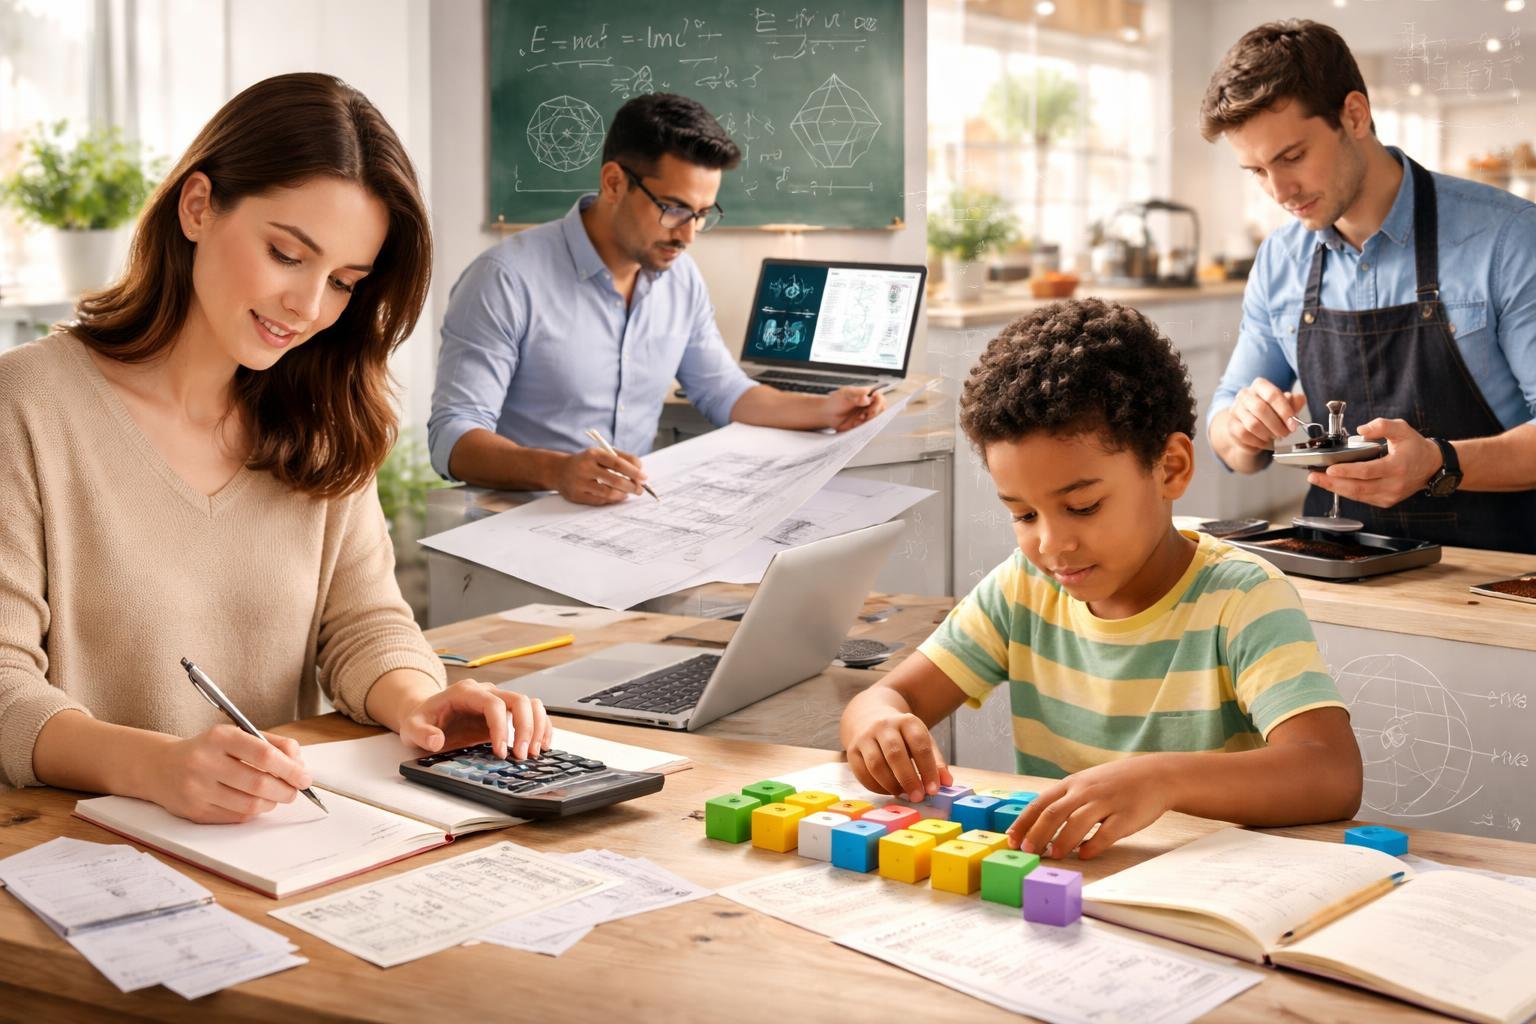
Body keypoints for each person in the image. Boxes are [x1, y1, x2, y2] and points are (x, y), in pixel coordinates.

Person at [0, 73, 550, 823]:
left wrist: (420, 702)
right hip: (69, 854)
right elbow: (3, 687)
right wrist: (157, 767)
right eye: (288, 255)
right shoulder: (28, 404)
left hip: (267, 848)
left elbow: (363, 622)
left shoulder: (321, 419)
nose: (309, 306)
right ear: (198, 207)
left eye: (344, 282)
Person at [838, 299, 1362, 861]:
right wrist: (877, 725)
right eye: (1023, 514)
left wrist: (1163, 781)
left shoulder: (1241, 596)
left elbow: (1330, 772)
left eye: (1083, 507)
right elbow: (888, 697)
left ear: (1171, 468)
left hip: (1204, 891)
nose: (1051, 544)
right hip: (1063, 892)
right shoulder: (1023, 589)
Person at [427, 92, 886, 505]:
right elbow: (453, 439)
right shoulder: (505, 279)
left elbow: (723, 391)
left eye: (703, 214)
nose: (688, 234)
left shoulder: (679, 278)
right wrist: (558, 470)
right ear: (613, 183)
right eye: (674, 208)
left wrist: (824, 408)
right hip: (518, 520)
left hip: (629, 521)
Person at [1201, 20, 1536, 553]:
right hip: (1339, 561)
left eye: (1291, 157)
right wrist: (1242, 428)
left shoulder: (1509, 238)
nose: (1279, 191)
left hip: (1495, 572)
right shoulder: (1280, 259)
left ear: (1354, 115)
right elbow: (1228, 437)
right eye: (1256, 171)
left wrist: (1441, 463)